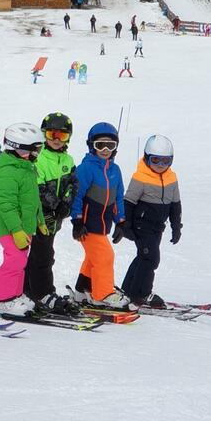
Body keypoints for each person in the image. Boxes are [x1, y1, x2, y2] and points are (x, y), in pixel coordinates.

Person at [69, 123, 135, 309]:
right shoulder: (85, 169)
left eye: (110, 145)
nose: (105, 150)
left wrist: (120, 222)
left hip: (103, 225)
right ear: (91, 146)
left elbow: (118, 198)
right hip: (87, 225)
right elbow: (76, 196)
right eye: (100, 145)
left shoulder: (115, 170)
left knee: (93, 258)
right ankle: (103, 294)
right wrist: (77, 221)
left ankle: (83, 291)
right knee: (105, 256)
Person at [119, 135, 182, 308]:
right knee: (151, 259)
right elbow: (128, 202)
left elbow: (175, 205)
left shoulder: (171, 178)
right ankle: (142, 293)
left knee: (144, 257)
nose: (161, 165)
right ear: (147, 158)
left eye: (166, 161)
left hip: (157, 227)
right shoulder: (141, 177)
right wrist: (125, 225)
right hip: (141, 225)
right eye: (155, 160)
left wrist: (176, 227)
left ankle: (128, 290)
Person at [0, 123, 46, 316]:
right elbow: (6, 205)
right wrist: (15, 229)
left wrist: (40, 221)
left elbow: (33, 199)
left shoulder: (25, 167)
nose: (37, 154)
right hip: (10, 227)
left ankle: (14, 295)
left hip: (24, 227)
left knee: (20, 262)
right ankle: (2, 299)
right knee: (14, 261)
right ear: (20, 148)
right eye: (35, 149)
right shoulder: (8, 170)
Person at [25, 114, 79, 315]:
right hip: (40, 215)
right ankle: (43, 292)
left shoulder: (67, 160)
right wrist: (55, 205)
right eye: (51, 134)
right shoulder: (38, 158)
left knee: (40, 253)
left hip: (56, 217)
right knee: (44, 255)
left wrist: (66, 203)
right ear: (43, 135)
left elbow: (73, 183)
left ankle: (27, 289)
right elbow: (37, 187)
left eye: (62, 136)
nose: (56, 140)